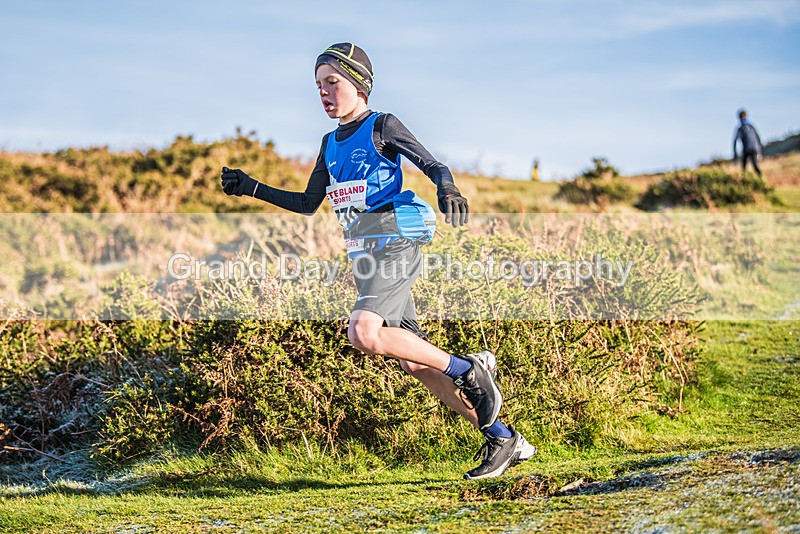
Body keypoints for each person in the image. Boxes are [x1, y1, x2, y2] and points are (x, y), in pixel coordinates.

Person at [219, 42, 536, 479]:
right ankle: (503, 437)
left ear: (359, 85)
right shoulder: (329, 144)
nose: (323, 92)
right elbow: (308, 203)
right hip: (365, 255)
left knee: (363, 333)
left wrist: (448, 188)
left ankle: (469, 368)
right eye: (318, 85)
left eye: (332, 82)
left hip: (396, 239)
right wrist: (251, 187)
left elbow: (434, 164)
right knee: (415, 362)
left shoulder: (381, 125)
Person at [733, 109, 764, 176]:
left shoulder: (741, 128)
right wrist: (759, 151)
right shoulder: (751, 127)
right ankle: (759, 178)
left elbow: (735, 141)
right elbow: (758, 139)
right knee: (749, 167)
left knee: (749, 167)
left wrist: (735, 154)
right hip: (751, 149)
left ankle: (758, 179)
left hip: (749, 150)